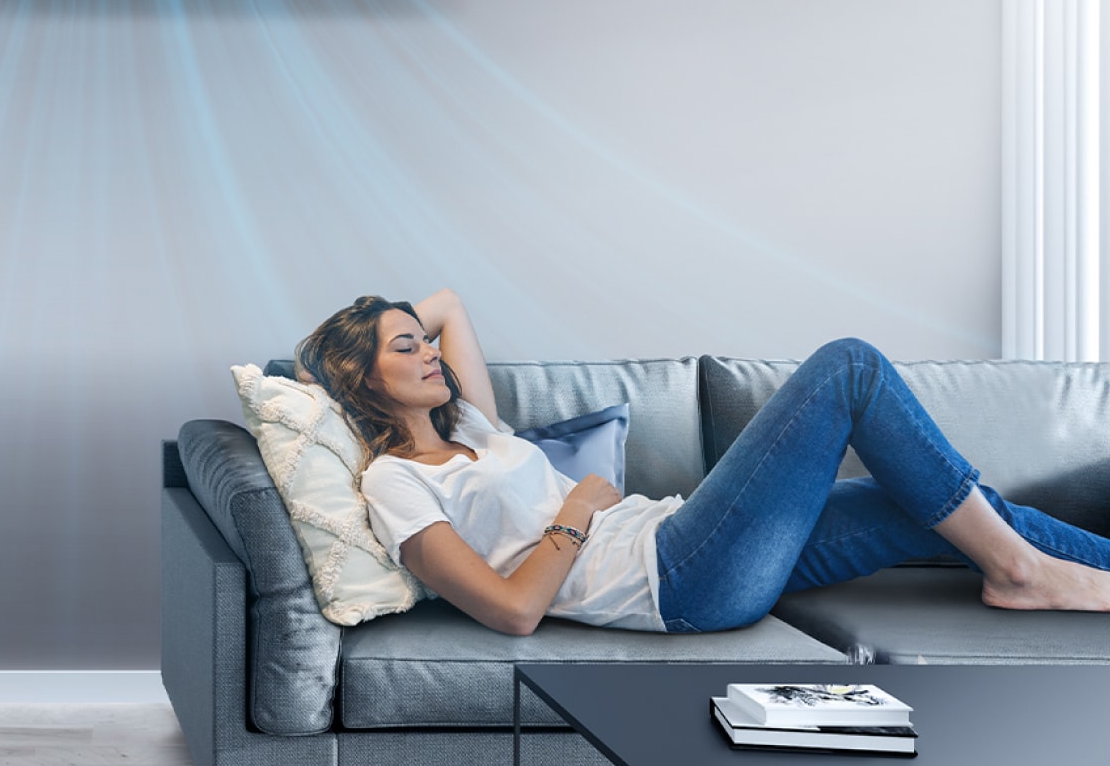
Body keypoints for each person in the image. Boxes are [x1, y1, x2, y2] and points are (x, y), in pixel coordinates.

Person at [294, 289, 1110, 637]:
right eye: (407, 348)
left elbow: (447, 303)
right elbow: (512, 613)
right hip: (675, 578)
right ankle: (1024, 573)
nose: (431, 350)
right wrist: (578, 507)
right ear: (365, 375)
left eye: (425, 343)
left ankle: (1035, 569)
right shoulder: (395, 481)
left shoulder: (467, 419)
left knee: (929, 501)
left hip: (678, 535)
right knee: (850, 367)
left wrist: (375, 338)